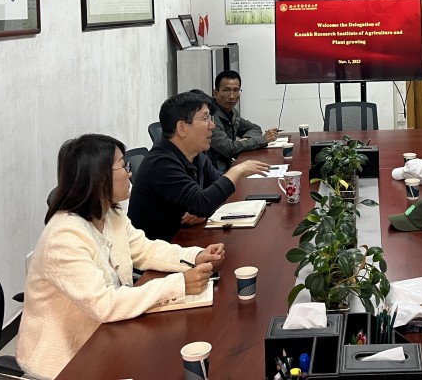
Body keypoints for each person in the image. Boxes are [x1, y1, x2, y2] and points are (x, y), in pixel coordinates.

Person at [16, 134, 223, 379]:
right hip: (66, 360)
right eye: (123, 166)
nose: (130, 173)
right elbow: (104, 304)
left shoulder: (109, 213)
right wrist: (178, 284)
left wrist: (195, 256)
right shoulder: (64, 237)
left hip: (106, 334)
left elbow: (144, 250)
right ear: (98, 176)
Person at [128, 91, 269, 241]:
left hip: (185, 239)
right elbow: (202, 202)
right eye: (205, 118)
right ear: (182, 128)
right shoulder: (161, 163)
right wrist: (236, 171)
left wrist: (204, 211)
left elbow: (214, 191)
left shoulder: (195, 154)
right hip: (161, 248)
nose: (212, 125)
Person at [208, 70, 279, 171]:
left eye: (236, 90)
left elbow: (255, 128)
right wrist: (262, 140)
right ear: (216, 93)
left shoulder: (232, 112)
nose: (232, 96)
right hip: (215, 172)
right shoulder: (210, 117)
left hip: (230, 165)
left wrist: (245, 141)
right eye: (227, 90)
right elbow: (228, 148)